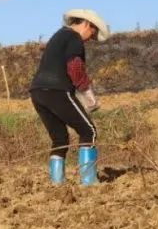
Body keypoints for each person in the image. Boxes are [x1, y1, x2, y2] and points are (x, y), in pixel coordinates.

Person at [29, 9, 109, 168]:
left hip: (37, 91)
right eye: (92, 34)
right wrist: (88, 94)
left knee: (60, 139)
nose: (90, 39)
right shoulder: (74, 38)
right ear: (87, 24)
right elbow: (75, 67)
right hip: (57, 91)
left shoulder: (58, 35)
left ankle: (57, 185)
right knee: (88, 131)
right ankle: (89, 181)